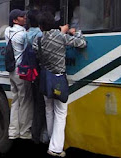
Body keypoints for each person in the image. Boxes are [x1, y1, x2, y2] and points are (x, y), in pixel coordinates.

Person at [32, 12, 87, 157]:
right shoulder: (60, 36)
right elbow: (81, 43)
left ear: (41, 26)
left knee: (49, 110)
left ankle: (51, 140)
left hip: (45, 79)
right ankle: (55, 148)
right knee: (61, 113)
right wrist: (76, 32)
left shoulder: (37, 40)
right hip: (58, 79)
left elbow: (37, 55)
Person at [4, 9, 34, 140]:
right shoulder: (23, 34)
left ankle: (13, 131)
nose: (25, 18)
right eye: (21, 17)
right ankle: (24, 131)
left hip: (11, 71)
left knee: (15, 101)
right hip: (21, 72)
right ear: (15, 20)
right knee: (25, 101)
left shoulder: (7, 31)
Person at [25, 9, 48, 144]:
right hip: (40, 72)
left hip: (30, 72)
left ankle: (34, 132)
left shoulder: (26, 34)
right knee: (41, 105)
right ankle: (38, 135)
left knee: (34, 103)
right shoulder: (40, 34)